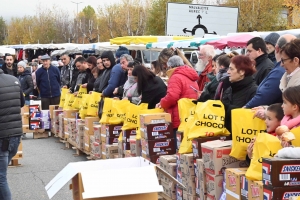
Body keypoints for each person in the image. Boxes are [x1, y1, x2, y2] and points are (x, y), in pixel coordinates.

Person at [245, 34, 296, 109]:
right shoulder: (276, 67)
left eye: (249, 51)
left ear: (277, 48)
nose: (247, 54)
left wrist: (245, 107)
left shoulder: (279, 70)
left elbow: (265, 96)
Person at [157, 55, 199, 141]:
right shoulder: (191, 76)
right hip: (190, 115)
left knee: (178, 145)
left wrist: (162, 103)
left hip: (178, 116)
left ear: (170, 67)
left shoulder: (175, 77)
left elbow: (172, 97)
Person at [0, 67, 24, 200]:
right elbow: (21, 103)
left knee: (0, 178)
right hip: (15, 134)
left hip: (2, 136)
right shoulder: (14, 80)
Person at [222, 55, 257, 134]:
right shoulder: (230, 88)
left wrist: (227, 107)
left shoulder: (253, 90)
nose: (228, 72)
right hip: (226, 137)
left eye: (231, 69)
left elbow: (251, 115)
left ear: (242, 72)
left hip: (242, 138)